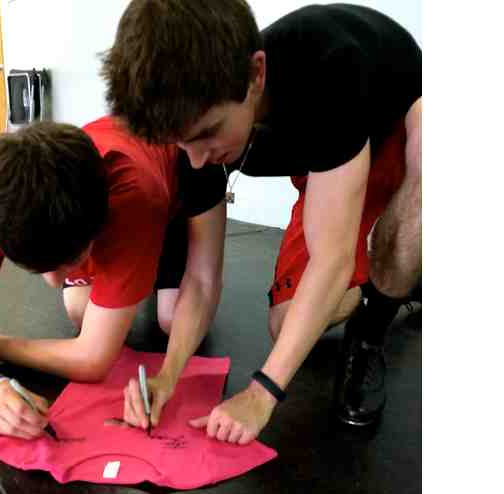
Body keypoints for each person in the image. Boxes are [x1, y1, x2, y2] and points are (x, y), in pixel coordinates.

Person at [102, 0, 421, 443]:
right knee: (287, 324)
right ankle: (399, 278)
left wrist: (261, 393)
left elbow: (331, 259)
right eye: (183, 143)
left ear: (256, 75)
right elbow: (201, 279)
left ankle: (377, 320)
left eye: (208, 133)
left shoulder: (329, 70)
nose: (198, 159)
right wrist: (168, 376)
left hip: (396, 121)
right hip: (329, 162)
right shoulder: (192, 134)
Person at [0, 117, 226, 440]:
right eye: (37, 268)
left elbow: (92, 361)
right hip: (115, 204)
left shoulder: (134, 200)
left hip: (170, 198)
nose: (53, 282)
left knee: (170, 318)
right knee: (80, 311)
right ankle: (120, 267)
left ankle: (145, 263)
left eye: (70, 260)